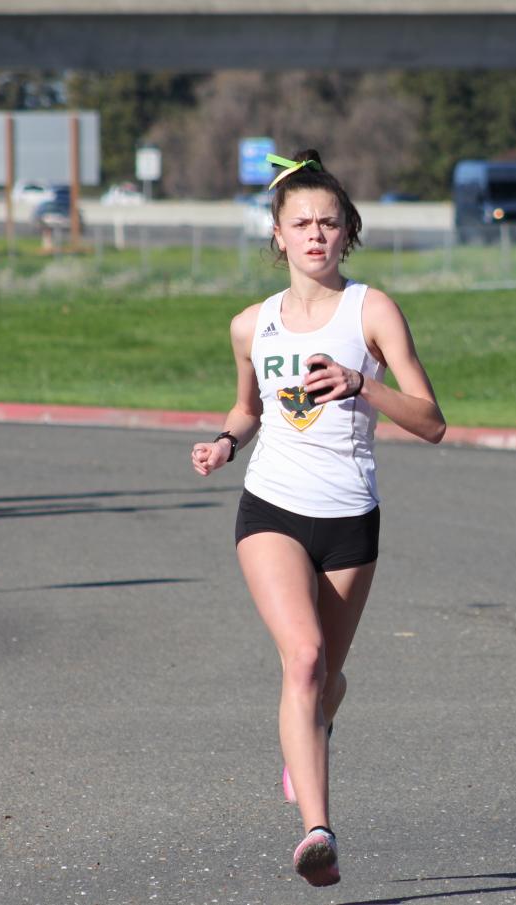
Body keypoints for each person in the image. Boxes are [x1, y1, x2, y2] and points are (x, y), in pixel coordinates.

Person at [189, 150, 445, 888]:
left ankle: (316, 725)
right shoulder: (250, 325)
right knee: (301, 659)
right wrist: (225, 441)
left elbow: (431, 420)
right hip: (270, 505)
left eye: (329, 222)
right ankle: (317, 831)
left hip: (349, 517)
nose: (314, 234)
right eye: (299, 222)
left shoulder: (372, 310)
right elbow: (248, 408)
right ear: (276, 234)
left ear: (346, 234)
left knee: (325, 677)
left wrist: (364, 382)